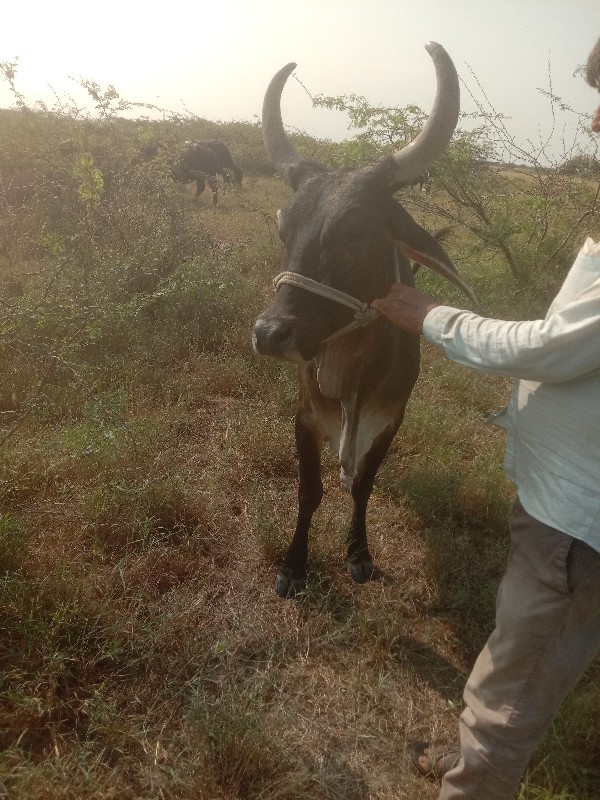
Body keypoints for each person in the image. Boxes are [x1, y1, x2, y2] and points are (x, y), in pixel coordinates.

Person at [371, 36, 600, 800]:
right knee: (518, 654)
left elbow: (554, 350)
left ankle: (477, 775)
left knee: (511, 688)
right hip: (564, 516)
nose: (594, 124)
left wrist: (436, 316)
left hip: (578, 532)